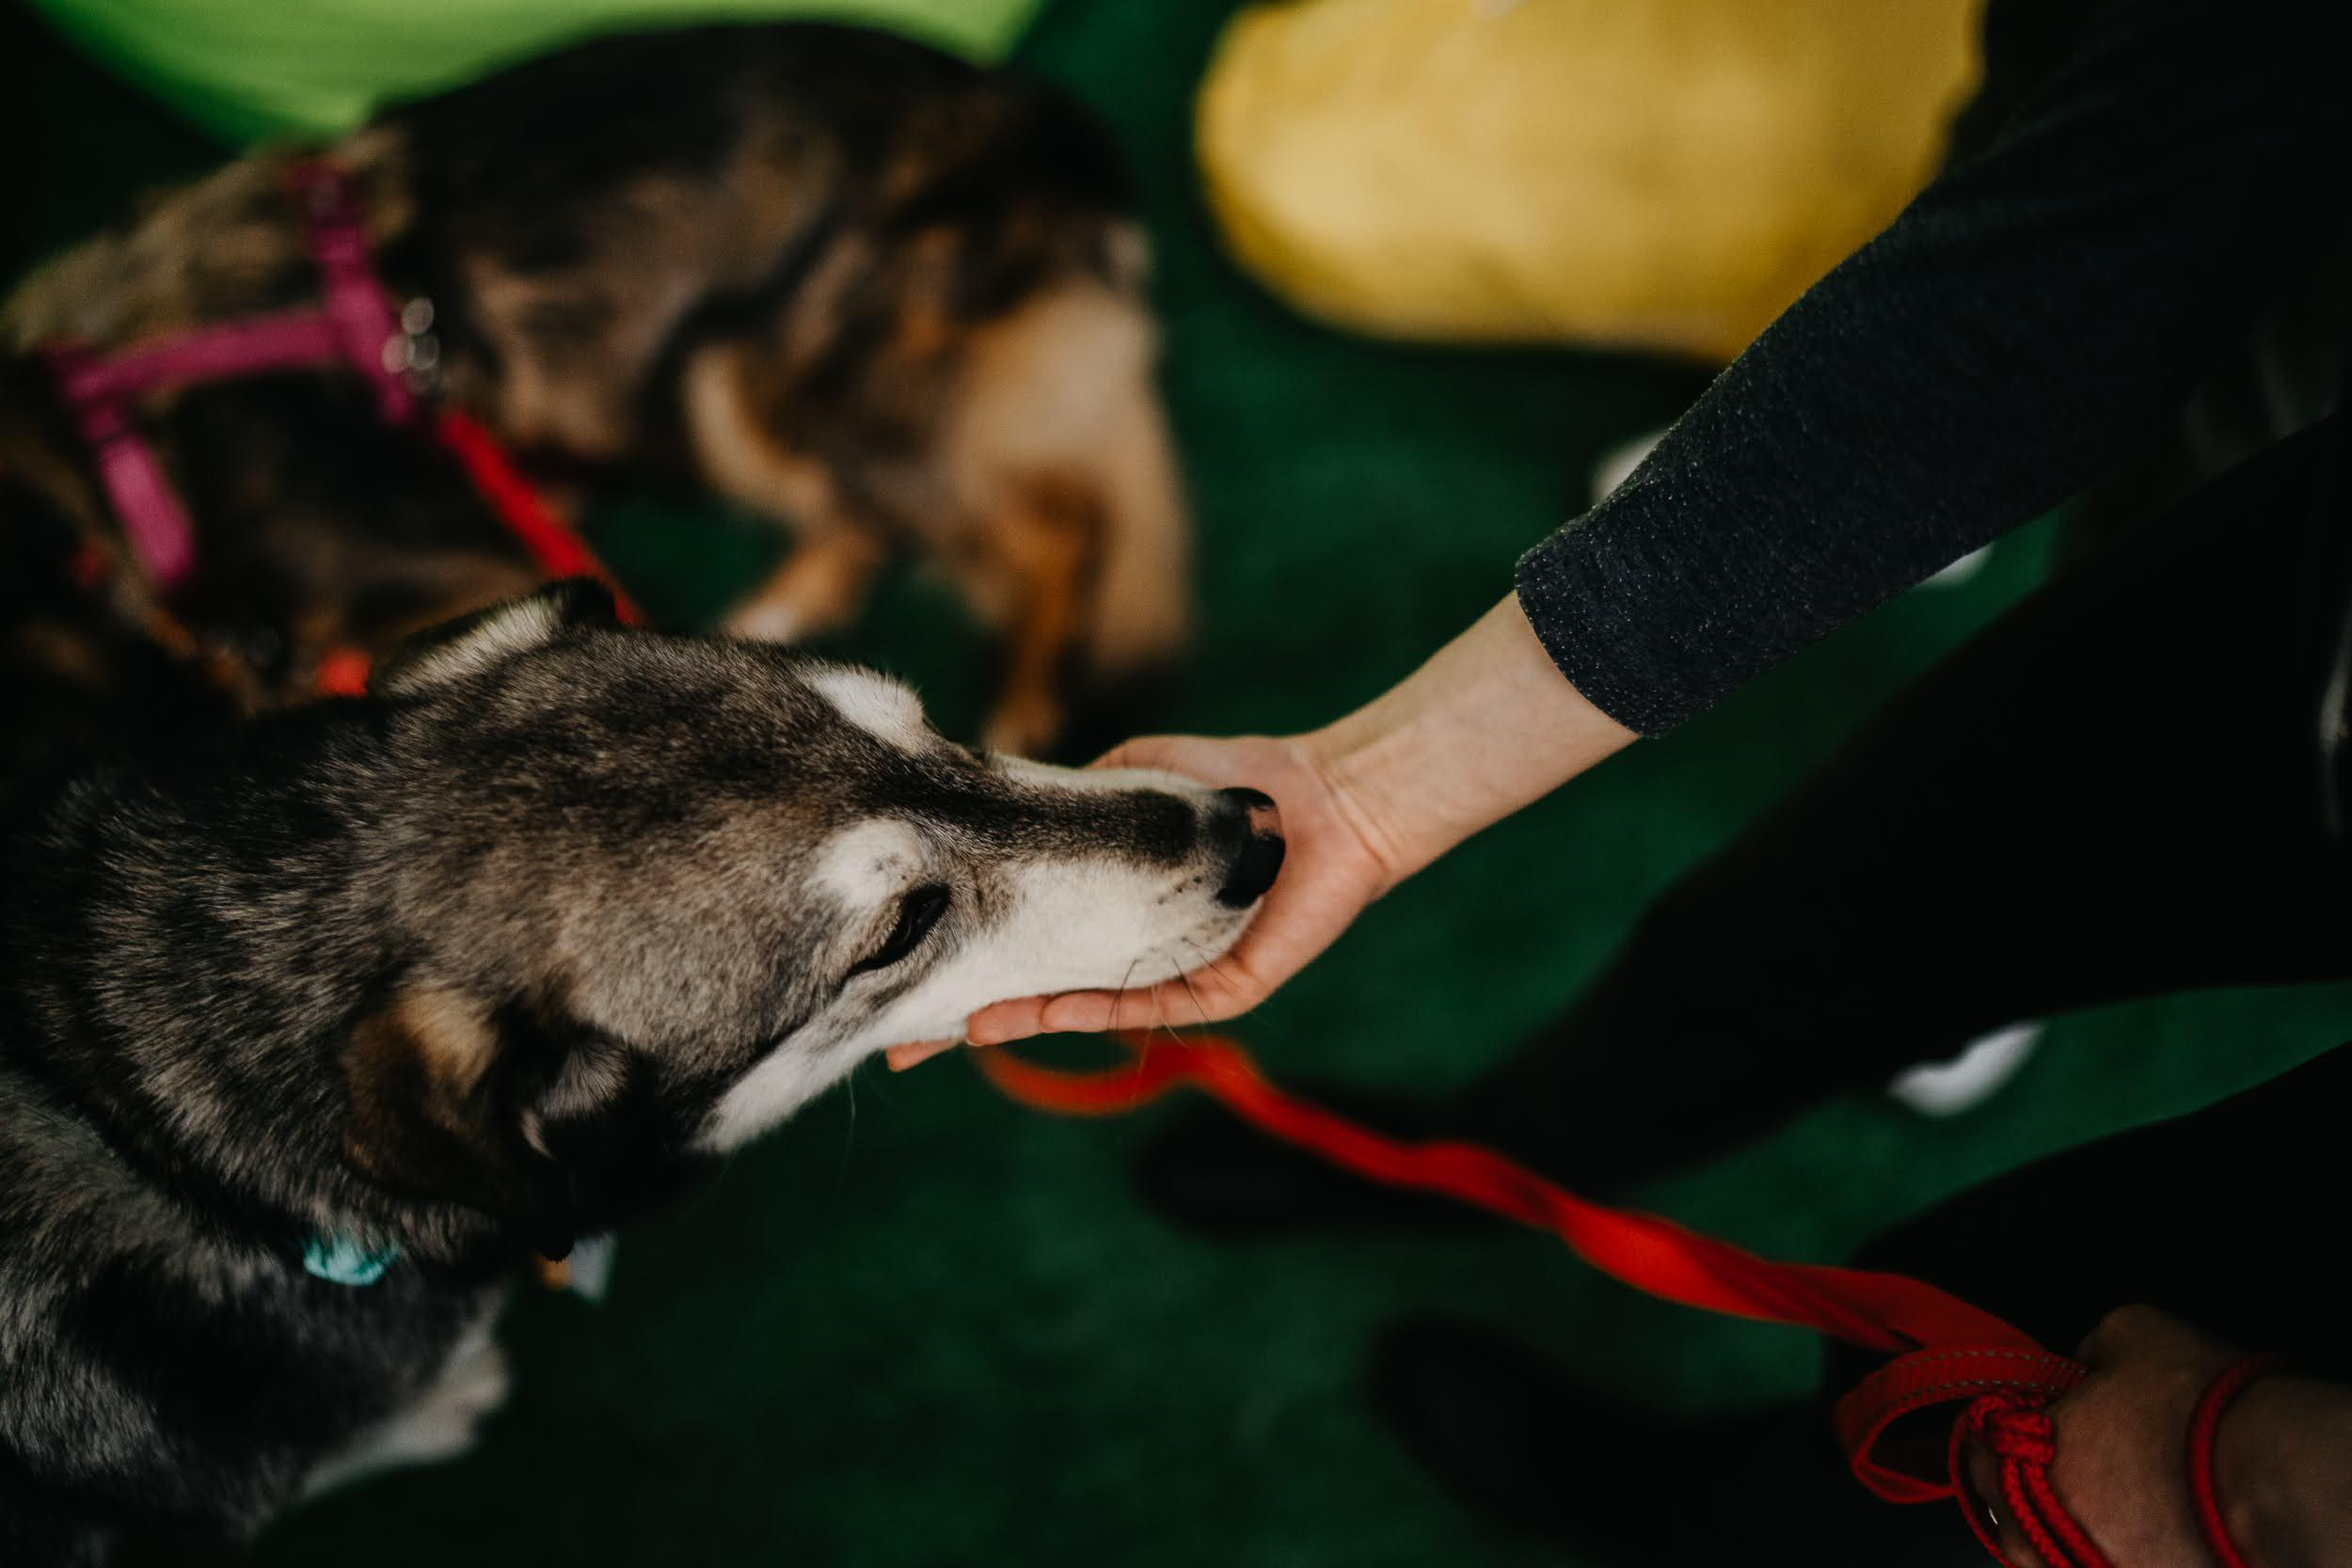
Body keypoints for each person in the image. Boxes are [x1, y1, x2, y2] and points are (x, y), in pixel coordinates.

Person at [907, 0, 2352, 1560]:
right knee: (1796, 932)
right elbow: (2118, 225)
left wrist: (2265, 1481)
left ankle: (1694, 1510)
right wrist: (1376, 795)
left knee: (2023, 1334)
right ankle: (1472, 1157)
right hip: (2310, 605)